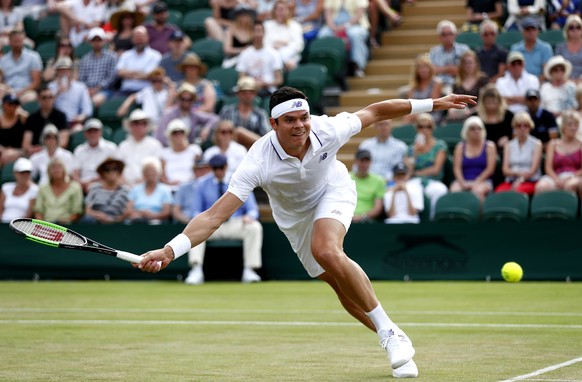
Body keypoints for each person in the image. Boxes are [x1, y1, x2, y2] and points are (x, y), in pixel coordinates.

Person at [136, 86, 476, 379]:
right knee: (338, 284)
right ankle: (393, 336)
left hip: (334, 189)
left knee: (326, 250)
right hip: (294, 218)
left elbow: (376, 110)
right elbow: (213, 217)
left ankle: (389, 332)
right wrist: (169, 251)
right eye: (289, 120)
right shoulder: (257, 162)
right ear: (273, 124)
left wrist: (433, 103)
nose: (299, 126)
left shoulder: (328, 130)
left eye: (303, 118)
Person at [184, 153, 263, 285]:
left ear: (226, 166)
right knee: (193, 229)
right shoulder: (201, 185)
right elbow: (195, 211)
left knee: (254, 228)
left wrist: (249, 217)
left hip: (235, 223)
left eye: (221, 167)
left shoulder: (240, 180)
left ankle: (250, 270)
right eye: (215, 168)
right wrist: (202, 220)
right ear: (211, 168)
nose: (219, 171)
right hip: (211, 225)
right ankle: (196, 269)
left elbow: (253, 209)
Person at [407, 112, 449, 220]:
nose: (425, 130)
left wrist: (417, 173)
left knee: (440, 190)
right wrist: (415, 155)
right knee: (408, 190)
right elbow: (409, 172)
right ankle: (413, 220)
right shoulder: (411, 149)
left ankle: (432, 220)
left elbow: (436, 170)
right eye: (421, 127)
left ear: (433, 128)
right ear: (416, 128)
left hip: (433, 181)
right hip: (415, 181)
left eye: (428, 126)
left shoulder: (440, 145)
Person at [155, 83, 220, 147]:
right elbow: (160, 137)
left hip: (188, 149)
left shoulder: (194, 114)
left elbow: (214, 118)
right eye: (183, 99)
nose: (186, 102)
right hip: (170, 149)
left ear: (193, 100)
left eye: (189, 99)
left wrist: (206, 128)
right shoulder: (168, 114)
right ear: (178, 99)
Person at [317, 0, 370, 78]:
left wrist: (345, 26)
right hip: (334, 26)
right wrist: (332, 26)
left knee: (354, 34)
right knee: (323, 35)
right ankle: (325, 67)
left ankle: (357, 67)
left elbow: (359, 14)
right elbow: (328, 13)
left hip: (355, 25)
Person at [449, 116, 497, 201]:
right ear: (466, 131)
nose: (476, 131)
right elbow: (456, 168)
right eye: (472, 129)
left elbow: (490, 169)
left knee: (477, 192)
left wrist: (476, 182)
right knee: (455, 191)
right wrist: (462, 183)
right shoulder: (460, 147)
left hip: (483, 180)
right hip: (463, 180)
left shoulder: (490, 146)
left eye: (479, 128)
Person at [535, 110, 582, 195]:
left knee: (570, 186)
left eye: (576, 124)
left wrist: (571, 176)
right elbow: (548, 168)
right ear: (563, 127)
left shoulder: (581, 144)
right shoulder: (553, 144)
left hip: (575, 176)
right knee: (541, 187)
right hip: (555, 176)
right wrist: (556, 179)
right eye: (570, 124)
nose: (573, 128)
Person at [495, 111, 543, 195]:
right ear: (514, 127)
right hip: (511, 181)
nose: (522, 128)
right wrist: (518, 174)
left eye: (526, 125)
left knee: (517, 192)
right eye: (519, 125)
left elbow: (532, 170)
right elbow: (505, 170)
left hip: (530, 181)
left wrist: (520, 180)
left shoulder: (537, 144)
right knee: (499, 192)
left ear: (530, 127)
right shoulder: (508, 145)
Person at [218, 76, 272, 149]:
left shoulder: (260, 113)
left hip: (255, 151)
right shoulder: (227, 111)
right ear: (238, 94)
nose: (247, 95)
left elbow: (267, 136)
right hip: (230, 149)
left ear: (255, 94)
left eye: (251, 92)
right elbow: (218, 133)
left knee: (240, 131)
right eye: (244, 92)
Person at [235, 20, 284, 99]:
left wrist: (265, 83)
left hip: (267, 89)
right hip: (249, 89)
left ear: (264, 33)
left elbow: (279, 80)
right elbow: (241, 77)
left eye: (259, 31)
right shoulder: (245, 53)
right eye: (255, 31)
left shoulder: (273, 53)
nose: (257, 34)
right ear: (251, 33)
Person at [48, 56, 93, 135]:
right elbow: (46, 107)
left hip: (72, 122)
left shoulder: (80, 87)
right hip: (55, 123)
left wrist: (81, 117)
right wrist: (57, 93)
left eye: (66, 70)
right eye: (61, 71)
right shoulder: (51, 87)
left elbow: (87, 109)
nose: (64, 73)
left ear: (71, 72)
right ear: (57, 72)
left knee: (79, 129)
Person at [71, 118, 118, 193]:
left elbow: (114, 171)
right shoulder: (79, 150)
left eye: (95, 131)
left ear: (100, 132)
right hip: (83, 186)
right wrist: (81, 184)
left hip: (104, 183)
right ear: (85, 134)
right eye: (90, 131)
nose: (93, 134)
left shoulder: (111, 148)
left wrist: (93, 182)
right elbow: (75, 173)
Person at [117, 109, 163, 186]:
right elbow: (118, 169)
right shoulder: (123, 146)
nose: (140, 126)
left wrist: (142, 184)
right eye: (136, 123)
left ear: (147, 126)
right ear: (130, 126)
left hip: (149, 187)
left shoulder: (155, 145)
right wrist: (126, 185)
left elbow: (157, 170)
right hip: (125, 186)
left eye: (143, 123)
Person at [33, 157, 84, 224]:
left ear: (64, 170)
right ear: (49, 172)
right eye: (53, 167)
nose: (56, 170)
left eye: (59, 167)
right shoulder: (43, 188)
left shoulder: (75, 187)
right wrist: (43, 225)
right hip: (46, 226)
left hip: (68, 227)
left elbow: (77, 212)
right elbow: (38, 210)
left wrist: (67, 220)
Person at [77, 27, 119, 108]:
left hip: (106, 90)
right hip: (87, 90)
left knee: (93, 101)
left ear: (103, 41)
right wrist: (88, 90)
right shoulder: (85, 59)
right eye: (94, 40)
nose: (96, 43)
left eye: (99, 40)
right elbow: (81, 78)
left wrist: (97, 88)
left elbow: (112, 77)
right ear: (90, 42)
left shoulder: (112, 56)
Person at [21, 86, 68, 157]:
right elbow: (26, 144)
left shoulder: (61, 116)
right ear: (38, 99)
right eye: (44, 97)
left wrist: (42, 149)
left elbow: (63, 142)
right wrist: (33, 150)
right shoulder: (32, 118)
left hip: (55, 154)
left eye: (50, 97)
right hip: (36, 155)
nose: (48, 100)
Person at [115, 26, 162, 95]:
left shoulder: (155, 55)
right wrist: (139, 73)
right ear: (132, 39)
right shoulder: (126, 55)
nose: (139, 40)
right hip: (125, 91)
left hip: (146, 92)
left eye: (141, 37)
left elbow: (150, 75)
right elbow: (120, 72)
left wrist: (129, 74)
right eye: (136, 37)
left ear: (147, 38)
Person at [83, 156, 130, 223]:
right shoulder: (94, 189)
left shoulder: (126, 190)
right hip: (97, 223)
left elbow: (128, 212)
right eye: (107, 169)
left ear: (119, 172)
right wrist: (98, 215)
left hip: (118, 223)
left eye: (115, 169)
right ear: (102, 173)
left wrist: (114, 220)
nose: (111, 172)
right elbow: (87, 210)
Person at [125, 156, 172, 224]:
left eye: (153, 171)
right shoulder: (135, 189)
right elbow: (128, 209)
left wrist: (152, 216)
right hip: (137, 221)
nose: (150, 173)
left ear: (159, 173)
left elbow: (166, 212)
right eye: (147, 171)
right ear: (143, 173)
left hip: (157, 223)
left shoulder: (165, 190)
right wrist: (140, 213)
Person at [0, 30, 42, 104]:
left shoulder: (33, 57)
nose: (18, 44)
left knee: (30, 97)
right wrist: (7, 89)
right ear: (10, 42)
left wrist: (21, 92)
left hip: (26, 91)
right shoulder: (3, 60)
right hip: (8, 90)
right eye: (15, 41)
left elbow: (36, 82)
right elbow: (2, 80)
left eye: (20, 41)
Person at [429, 20, 470, 95]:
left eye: (450, 34)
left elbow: (468, 70)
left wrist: (441, 69)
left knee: (448, 92)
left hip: (460, 83)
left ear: (455, 35)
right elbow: (431, 71)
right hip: (438, 84)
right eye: (444, 34)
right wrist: (449, 68)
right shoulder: (434, 51)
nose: (447, 37)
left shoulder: (464, 50)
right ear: (439, 37)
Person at [160, 118, 203, 191]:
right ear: (170, 136)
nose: (178, 135)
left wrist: (186, 183)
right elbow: (162, 176)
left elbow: (200, 171)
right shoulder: (165, 153)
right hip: (170, 190)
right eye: (175, 133)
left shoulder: (194, 150)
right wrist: (170, 183)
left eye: (181, 132)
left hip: (191, 188)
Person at [447, 50, 489, 122]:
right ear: (462, 65)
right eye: (465, 63)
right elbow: (453, 101)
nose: (468, 65)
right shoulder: (456, 83)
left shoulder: (483, 80)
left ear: (476, 64)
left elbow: (485, 101)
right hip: (461, 114)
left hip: (479, 113)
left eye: (470, 62)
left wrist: (471, 111)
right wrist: (451, 110)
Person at [264, 0, 304, 71]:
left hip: (290, 58)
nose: (280, 13)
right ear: (274, 11)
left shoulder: (295, 25)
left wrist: (284, 44)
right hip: (270, 57)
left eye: (283, 10)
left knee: (291, 63)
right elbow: (264, 43)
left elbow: (298, 45)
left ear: (288, 11)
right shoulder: (267, 25)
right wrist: (274, 47)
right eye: (278, 10)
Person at [402, 54, 443, 124]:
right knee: (406, 116)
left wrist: (418, 114)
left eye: (425, 67)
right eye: (420, 67)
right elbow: (409, 105)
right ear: (416, 70)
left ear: (430, 68)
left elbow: (434, 104)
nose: (423, 70)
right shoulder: (413, 86)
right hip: (415, 114)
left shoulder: (436, 83)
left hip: (431, 114)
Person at [509, 17, 553, 81]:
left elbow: (547, 72)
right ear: (523, 32)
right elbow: (512, 69)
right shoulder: (515, 49)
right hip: (520, 82)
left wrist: (534, 82)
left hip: (540, 82)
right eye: (528, 29)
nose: (531, 32)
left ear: (538, 31)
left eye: (533, 29)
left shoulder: (546, 48)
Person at [172, 158, 212, 225]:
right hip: (186, 223)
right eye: (199, 169)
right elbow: (176, 211)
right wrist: (190, 223)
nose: (202, 172)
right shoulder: (184, 187)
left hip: (208, 223)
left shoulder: (214, 187)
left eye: (205, 169)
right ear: (194, 171)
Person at [476, 84, 515, 153]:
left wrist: (508, 138)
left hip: (504, 150)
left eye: (494, 102)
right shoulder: (476, 117)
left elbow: (515, 133)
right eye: (488, 103)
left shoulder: (508, 115)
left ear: (499, 102)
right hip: (482, 151)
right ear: (483, 103)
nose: (491, 106)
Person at [350, 149, 385, 223]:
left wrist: (362, 217)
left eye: (367, 161)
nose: (364, 164)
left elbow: (378, 208)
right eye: (362, 161)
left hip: (367, 220)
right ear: (356, 161)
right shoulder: (346, 178)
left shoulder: (379, 181)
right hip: (346, 217)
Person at [0, 157, 38, 223]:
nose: (25, 175)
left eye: (28, 172)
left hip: (21, 227)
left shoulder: (35, 190)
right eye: (22, 172)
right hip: (3, 224)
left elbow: (28, 215)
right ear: (15, 173)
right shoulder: (6, 187)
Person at [221, 4, 255, 69]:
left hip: (251, 60)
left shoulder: (253, 30)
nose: (245, 18)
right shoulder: (230, 30)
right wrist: (242, 50)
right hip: (233, 60)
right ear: (237, 17)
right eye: (242, 15)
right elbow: (227, 49)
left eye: (247, 15)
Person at [476, 19, 508, 83]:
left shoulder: (502, 52)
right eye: (486, 34)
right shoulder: (477, 53)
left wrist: (489, 84)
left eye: (492, 33)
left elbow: (501, 74)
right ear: (481, 35)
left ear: (496, 34)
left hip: (497, 85)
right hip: (479, 83)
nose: (489, 36)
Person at [0, 92, 27, 165]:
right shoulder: (0, 120)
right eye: (10, 104)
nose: (13, 107)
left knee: (7, 156)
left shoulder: (22, 118)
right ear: (4, 105)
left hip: (19, 150)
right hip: (3, 150)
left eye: (15, 104)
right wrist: (3, 149)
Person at [555, 15, 582, 82]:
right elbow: (557, 66)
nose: (575, 30)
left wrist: (580, 80)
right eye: (571, 27)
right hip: (564, 80)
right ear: (567, 30)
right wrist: (567, 79)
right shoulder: (560, 47)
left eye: (578, 27)